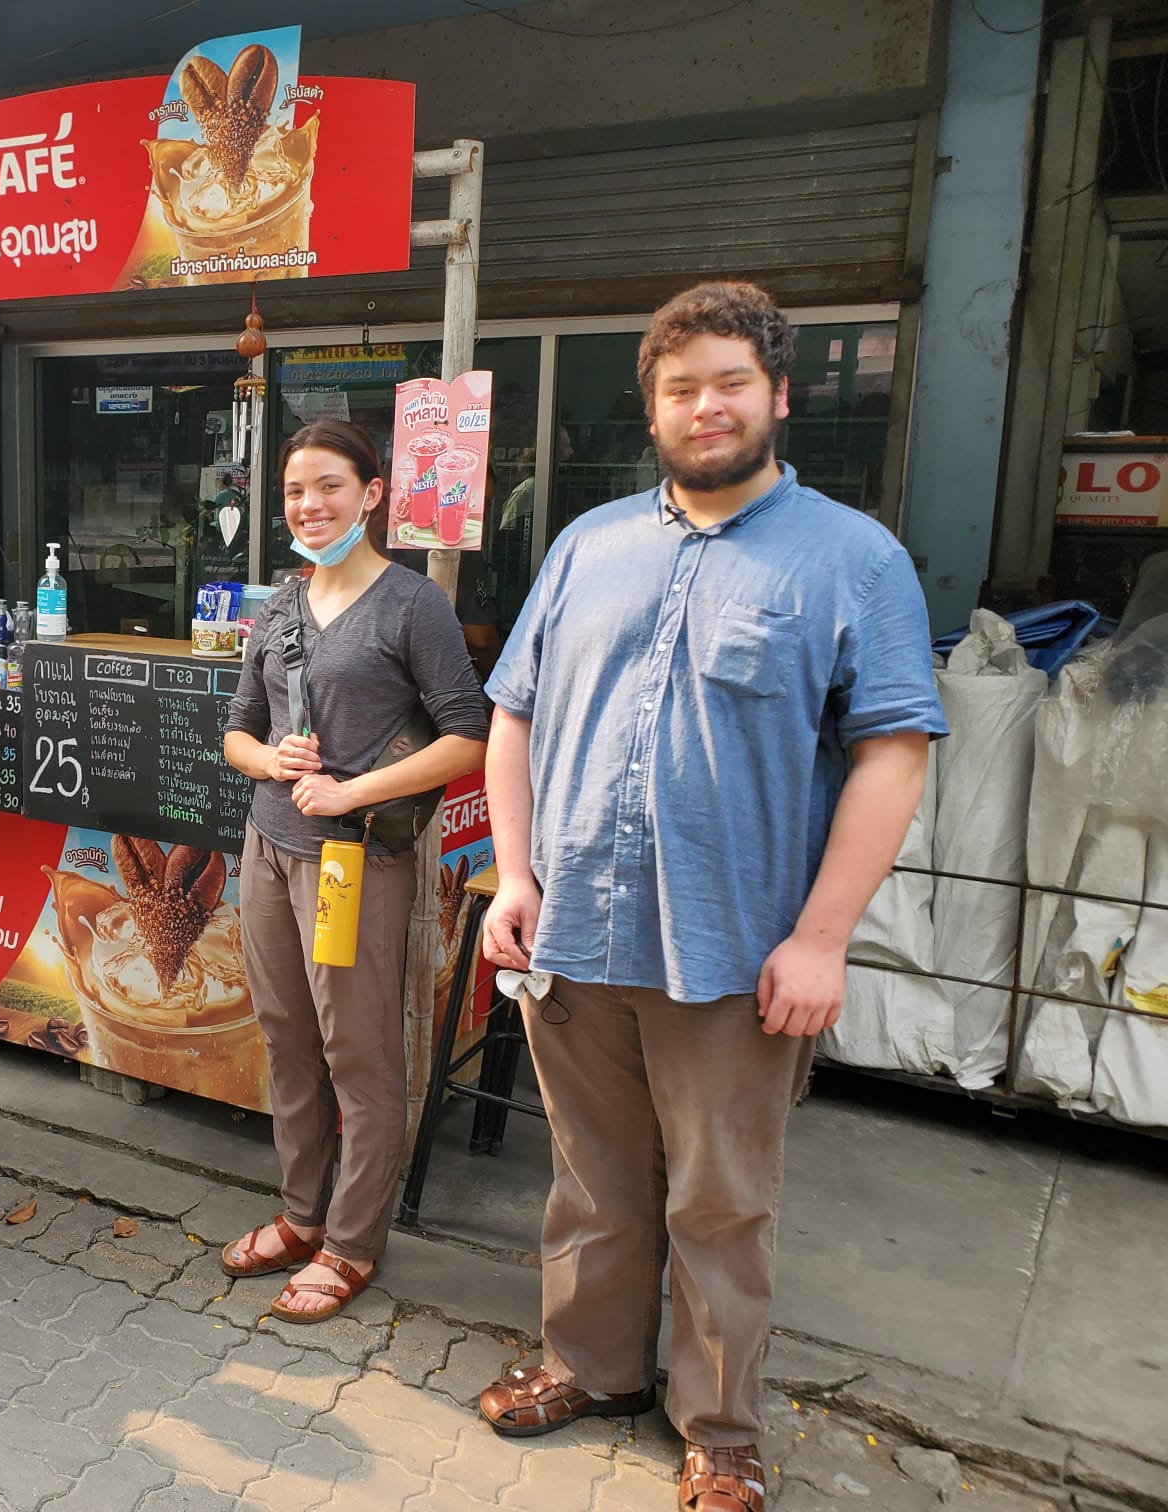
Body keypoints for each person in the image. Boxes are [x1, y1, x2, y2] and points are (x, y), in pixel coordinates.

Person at [474, 283, 943, 1512]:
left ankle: (718, 1425)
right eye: (681, 388)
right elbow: (513, 717)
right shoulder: (587, 546)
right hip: (573, 935)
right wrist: (514, 876)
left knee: (724, 1199)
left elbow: (895, 751)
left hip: (737, 955)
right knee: (592, 1176)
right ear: (654, 407)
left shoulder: (854, 560)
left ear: (780, 396)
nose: (706, 406)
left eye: (731, 382)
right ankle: (589, 1364)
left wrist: (823, 938)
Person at [220, 418, 489, 1322]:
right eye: (297, 490)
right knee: (286, 1037)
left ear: (372, 494)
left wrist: (351, 791)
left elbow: (467, 735)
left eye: (330, 486)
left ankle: (352, 1241)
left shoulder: (413, 605)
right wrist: (271, 765)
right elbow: (237, 729)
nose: (310, 504)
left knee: (356, 1052)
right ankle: (301, 1216)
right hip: (269, 848)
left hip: (354, 862)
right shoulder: (281, 606)